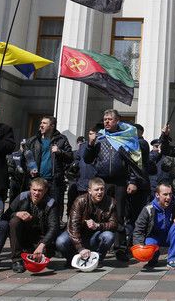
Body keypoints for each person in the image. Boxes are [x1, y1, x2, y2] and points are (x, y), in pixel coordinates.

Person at [84, 110, 143, 257]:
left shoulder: (126, 138)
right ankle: (99, 246)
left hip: (120, 182)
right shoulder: (99, 138)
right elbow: (87, 159)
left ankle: (120, 248)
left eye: (110, 119)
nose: (107, 122)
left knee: (120, 214)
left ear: (117, 121)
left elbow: (133, 162)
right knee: (100, 214)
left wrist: (133, 181)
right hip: (102, 182)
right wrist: (90, 145)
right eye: (105, 119)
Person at [57, 177, 117, 267]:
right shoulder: (80, 201)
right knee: (60, 241)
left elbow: (114, 224)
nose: (100, 192)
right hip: (78, 236)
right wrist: (80, 248)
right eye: (96, 190)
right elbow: (73, 226)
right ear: (89, 191)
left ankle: (97, 260)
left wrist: (98, 226)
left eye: (102, 189)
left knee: (109, 236)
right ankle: (72, 260)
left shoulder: (111, 202)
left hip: (95, 236)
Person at [8, 177, 59, 273]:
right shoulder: (22, 197)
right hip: (23, 234)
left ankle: (32, 251)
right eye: (34, 190)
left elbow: (54, 227)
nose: (36, 193)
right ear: (30, 188)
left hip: (40, 236)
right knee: (14, 221)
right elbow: (5, 216)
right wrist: (16, 214)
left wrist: (42, 244)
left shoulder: (51, 203)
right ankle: (16, 260)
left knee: (42, 255)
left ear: (45, 191)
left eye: (40, 190)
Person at [23, 115, 73, 213]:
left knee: (54, 208)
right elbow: (26, 159)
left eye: (44, 123)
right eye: (41, 123)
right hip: (37, 180)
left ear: (52, 126)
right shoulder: (33, 140)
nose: (41, 125)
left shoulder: (61, 139)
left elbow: (70, 157)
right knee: (36, 207)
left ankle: (54, 227)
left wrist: (60, 151)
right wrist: (30, 170)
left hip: (54, 181)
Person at [133, 182, 175, 269]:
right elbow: (138, 230)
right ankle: (153, 258)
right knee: (149, 248)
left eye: (170, 194)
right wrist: (140, 247)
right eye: (165, 194)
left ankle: (172, 259)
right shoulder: (148, 209)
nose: (168, 197)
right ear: (157, 195)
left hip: (169, 236)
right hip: (153, 238)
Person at [68, 128, 98, 217]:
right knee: (81, 207)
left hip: (95, 181)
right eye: (90, 133)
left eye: (93, 133)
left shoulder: (101, 145)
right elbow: (77, 159)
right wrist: (73, 167)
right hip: (82, 182)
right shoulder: (83, 146)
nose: (91, 136)